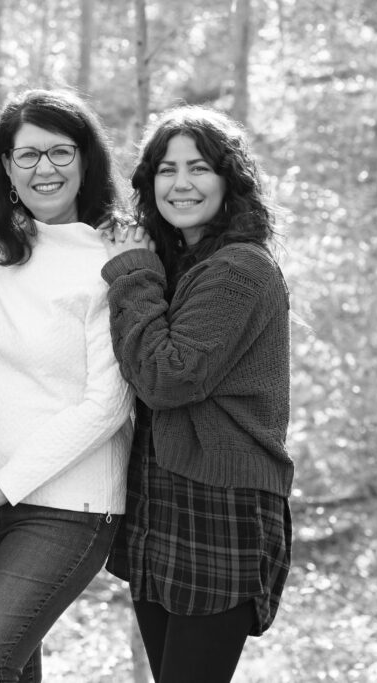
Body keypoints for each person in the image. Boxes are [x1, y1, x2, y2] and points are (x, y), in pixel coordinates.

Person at [100, 105, 293, 683]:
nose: (181, 183)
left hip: (221, 501)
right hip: (158, 494)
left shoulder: (240, 269)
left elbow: (167, 376)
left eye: (199, 168)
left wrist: (131, 271)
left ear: (229, 179)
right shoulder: (178, 263)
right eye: (166, 169)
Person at [0, 89, 135, 683]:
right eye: (27, 155)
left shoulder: (115, 257)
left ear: (85, 161)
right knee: (12, 671)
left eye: (60, 152)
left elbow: (109, 405)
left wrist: (5, 484)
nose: (44, 169)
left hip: (66, 506)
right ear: (5, 166)